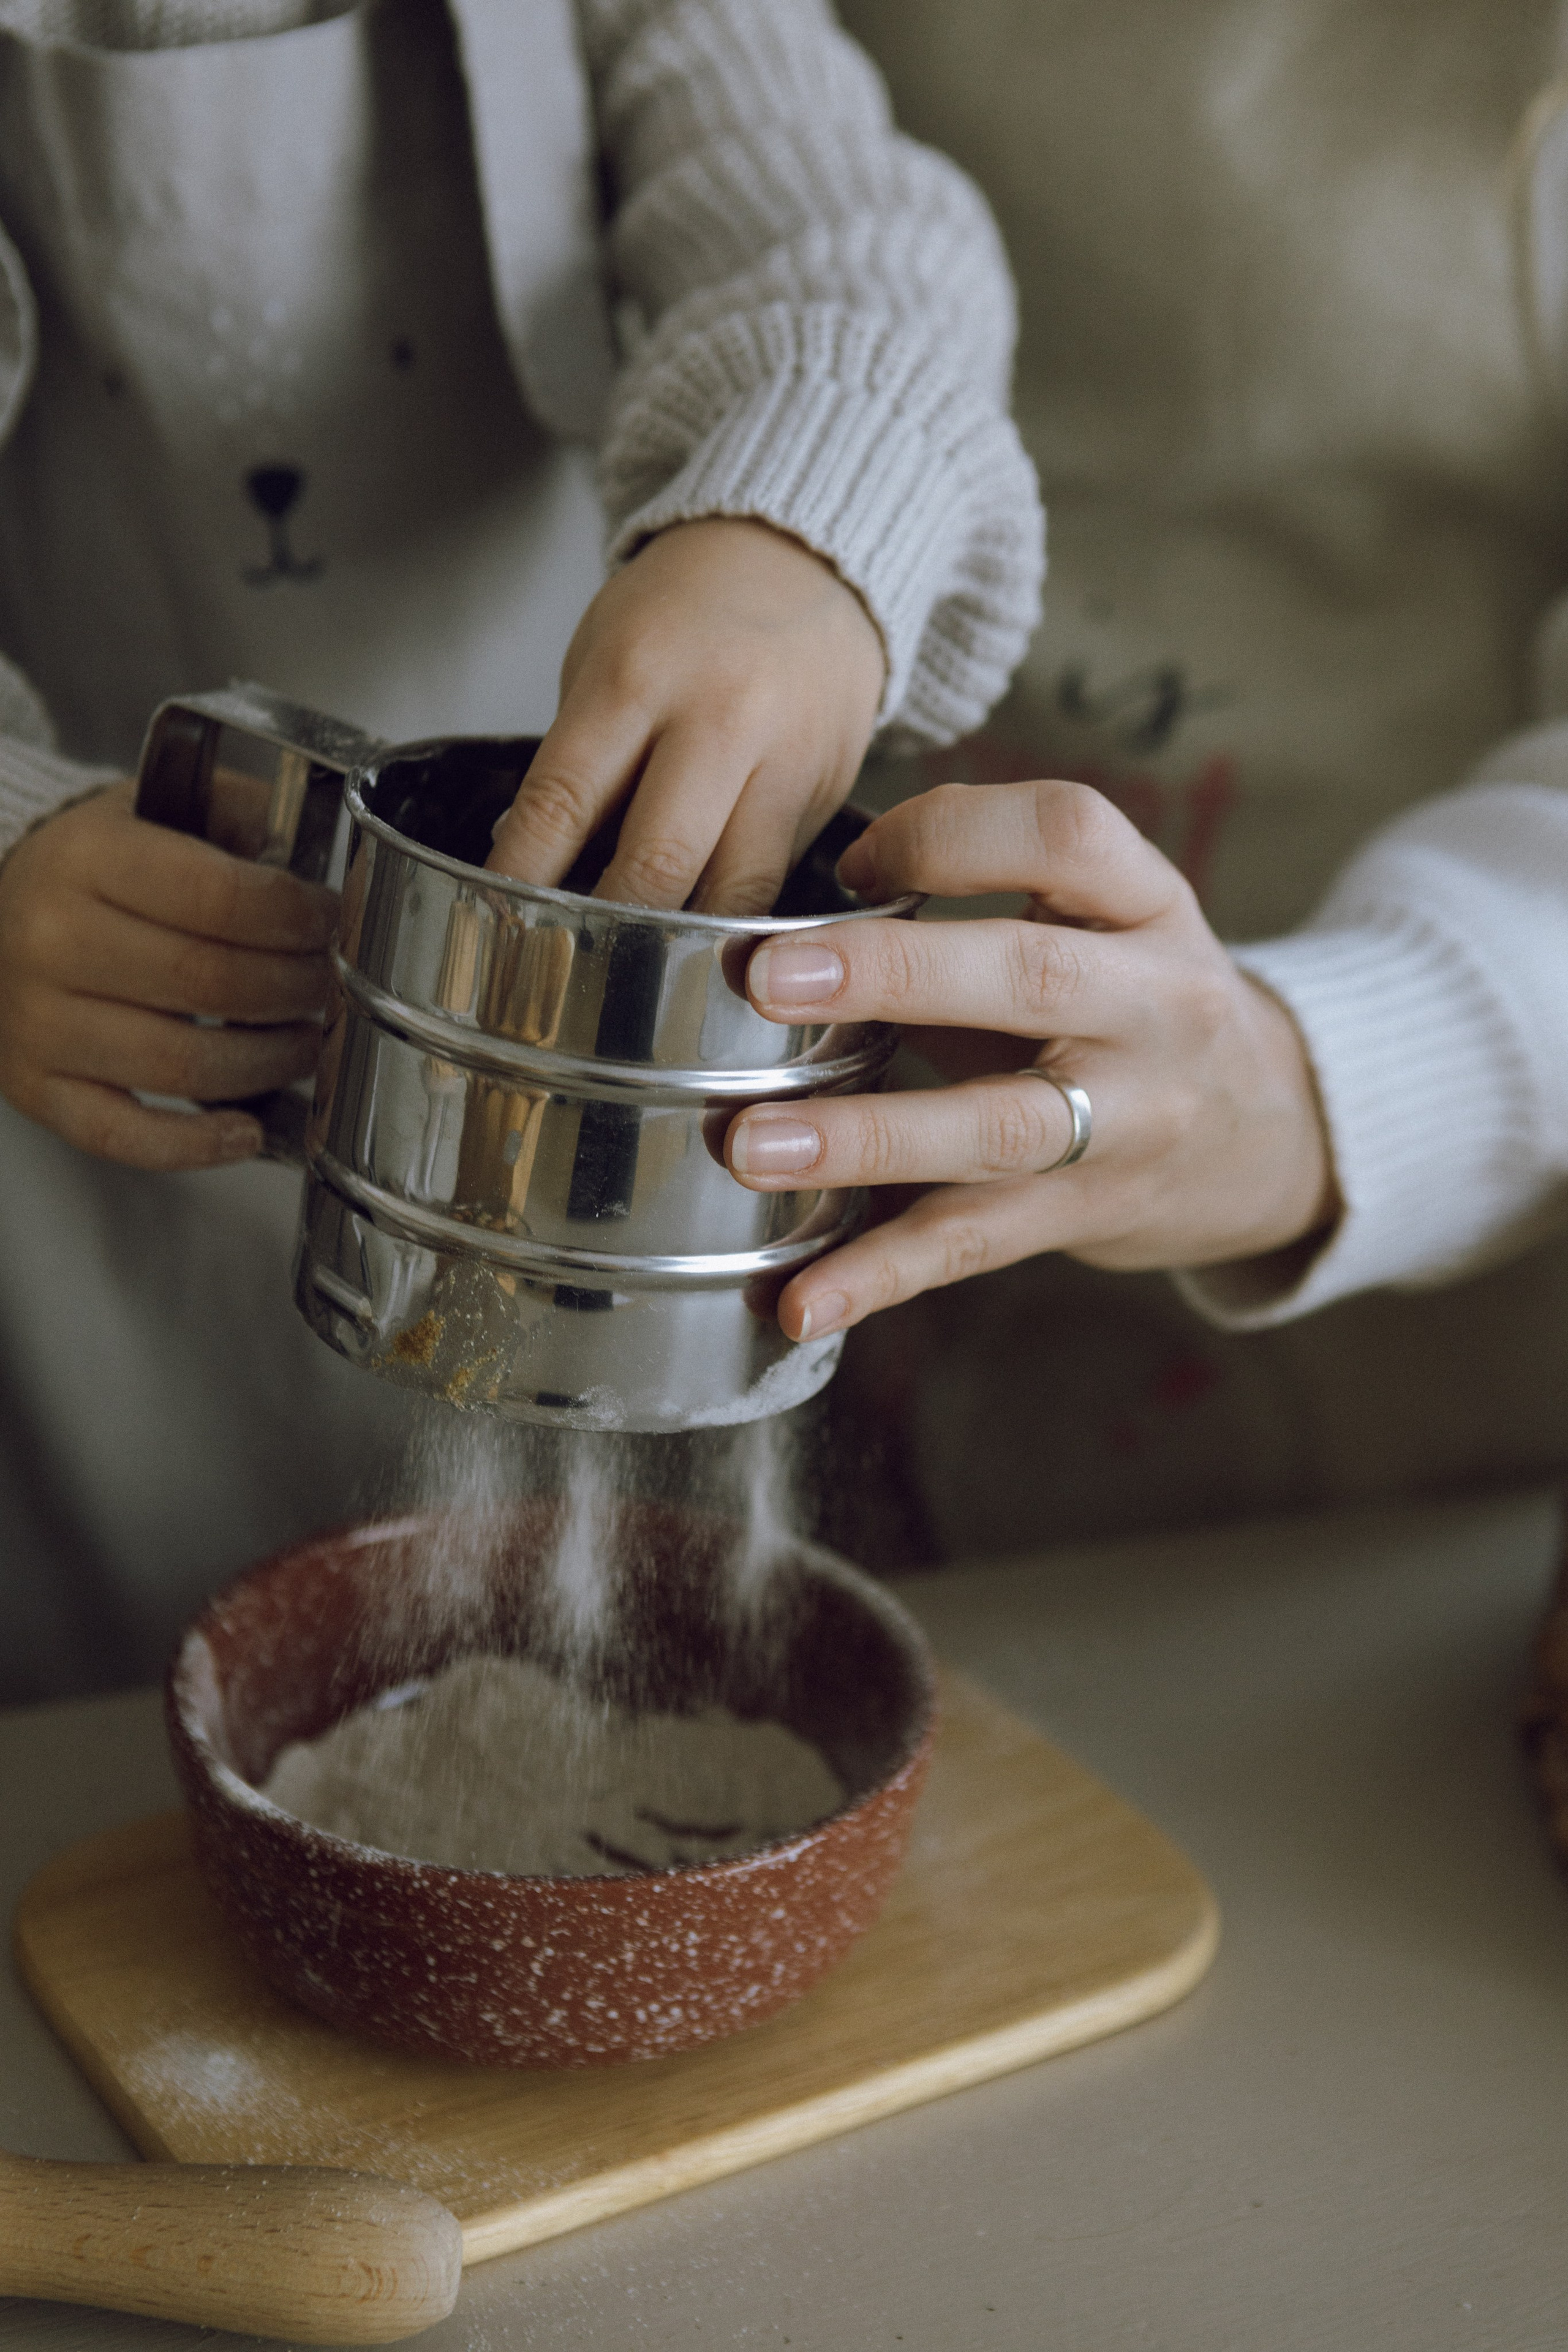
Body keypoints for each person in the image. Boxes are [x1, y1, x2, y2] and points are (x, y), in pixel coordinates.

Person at [0, 0, 1041, 1695]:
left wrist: (803, 534)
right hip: (61, 1115)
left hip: (605, 1013)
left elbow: (845, 227)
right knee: (102, 1746)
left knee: (609, 1666)